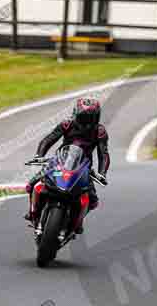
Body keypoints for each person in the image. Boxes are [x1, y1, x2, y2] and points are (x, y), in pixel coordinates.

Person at [24, 97, 110, 233]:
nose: (86, 122)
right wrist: (39, 155)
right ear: (76, 114)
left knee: (93, 201)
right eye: (83, 117)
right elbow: (49, 139)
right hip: (59, 162)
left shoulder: (100, 132)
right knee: (32, 184)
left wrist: (102, 173)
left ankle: (78, 222)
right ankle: (33, 211)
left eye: (90, 118)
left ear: (97, 117)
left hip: (84, 168)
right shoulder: (66, 124)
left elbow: (103, 154)